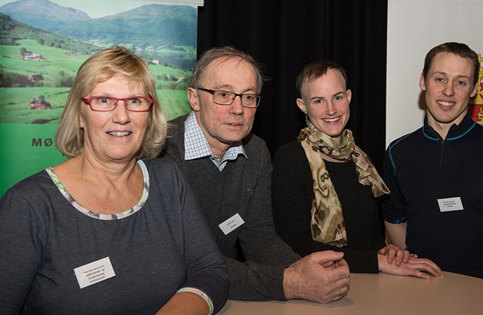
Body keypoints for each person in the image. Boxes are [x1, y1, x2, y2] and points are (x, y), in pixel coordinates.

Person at [0, 47, 228, 315]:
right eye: (104, 100)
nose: (122, 116)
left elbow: (211, 271)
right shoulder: (28, 205)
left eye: (135, 101)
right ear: (79, 114)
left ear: (149, 113)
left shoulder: (167, 179)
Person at [162, 47, 352, 303]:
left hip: (226, 297)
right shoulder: (161, 153)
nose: (238, 108)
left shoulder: (256, 151)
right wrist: (289, 283)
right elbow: (183, 259)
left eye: (249, 97)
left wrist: (303, 269)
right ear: (194, 98)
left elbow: (260, 236)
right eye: (224, 94)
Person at [382, 42, 483, 283]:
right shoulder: (397, 152)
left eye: (461, 82)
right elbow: (394, 221)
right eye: (439, 79)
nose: (448, 91)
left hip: (481, 292)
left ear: (474, 89)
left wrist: (475, 262)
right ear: (423, 81)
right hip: (416, 291)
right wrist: (421, 264)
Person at [272, 60, 442, 278]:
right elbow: (295, 245)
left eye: (338, 97)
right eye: (318, 101)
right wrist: (376, 261)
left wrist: (385, 251)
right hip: (317, 289)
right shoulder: (290, 158)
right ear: (302, 105)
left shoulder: (361, 159)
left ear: (349, 96)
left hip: (366, 284)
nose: (331, 109)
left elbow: (370, 238)